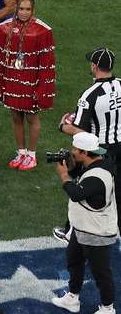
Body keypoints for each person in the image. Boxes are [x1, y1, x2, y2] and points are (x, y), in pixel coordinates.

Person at [52, 132, 117, 314]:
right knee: (74, 261)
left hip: (96, 232)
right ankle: (73, 297)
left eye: (75, 150)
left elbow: (77, 193)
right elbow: (82, 181)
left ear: (85, 152)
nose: (73, 152)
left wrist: (64, 176)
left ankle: (108, 309)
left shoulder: (97, 176)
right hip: (82, 228)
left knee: (101, 272)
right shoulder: (95, 165)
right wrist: (72, 169)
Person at [56, 48, 121, 238]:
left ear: (94, 66)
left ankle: (70, 232)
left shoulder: (90, 95)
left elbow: (80, 131)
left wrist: (62, 127)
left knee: (84, 189)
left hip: (100, 150)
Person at [0, 0, 56, 170]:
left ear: (33, 10)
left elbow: (47, 64)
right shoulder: (4, 29)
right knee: (15, 116)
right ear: (16, 9)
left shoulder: (43, 31)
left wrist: (43, 88)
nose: (24, 12)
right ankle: (21, 152)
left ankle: (32, 155)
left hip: (31, 82)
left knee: (31, 118)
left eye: (28, 9)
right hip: (12, 80)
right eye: (21, 9)